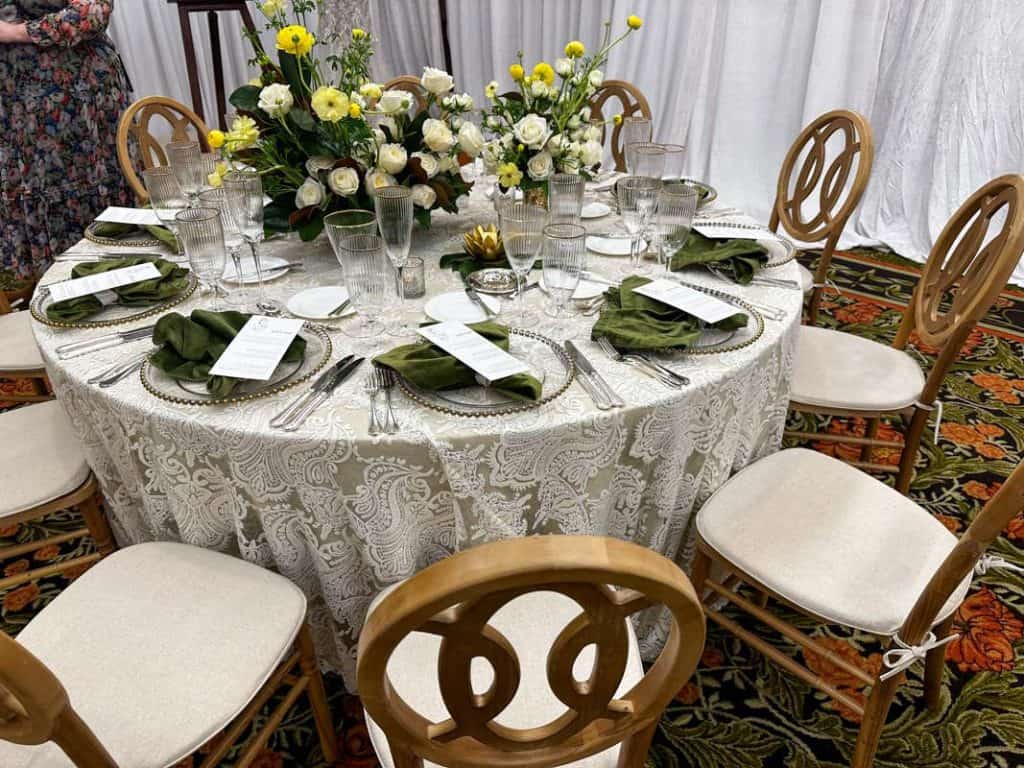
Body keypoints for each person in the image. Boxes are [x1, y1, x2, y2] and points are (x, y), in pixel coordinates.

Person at [0, 1, 134, 281]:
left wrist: (14, 33)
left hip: (79, 97)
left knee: (100, 206)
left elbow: (93, 12)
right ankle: (57, 295)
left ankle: (124, 283)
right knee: (37, 191)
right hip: (15, 105)